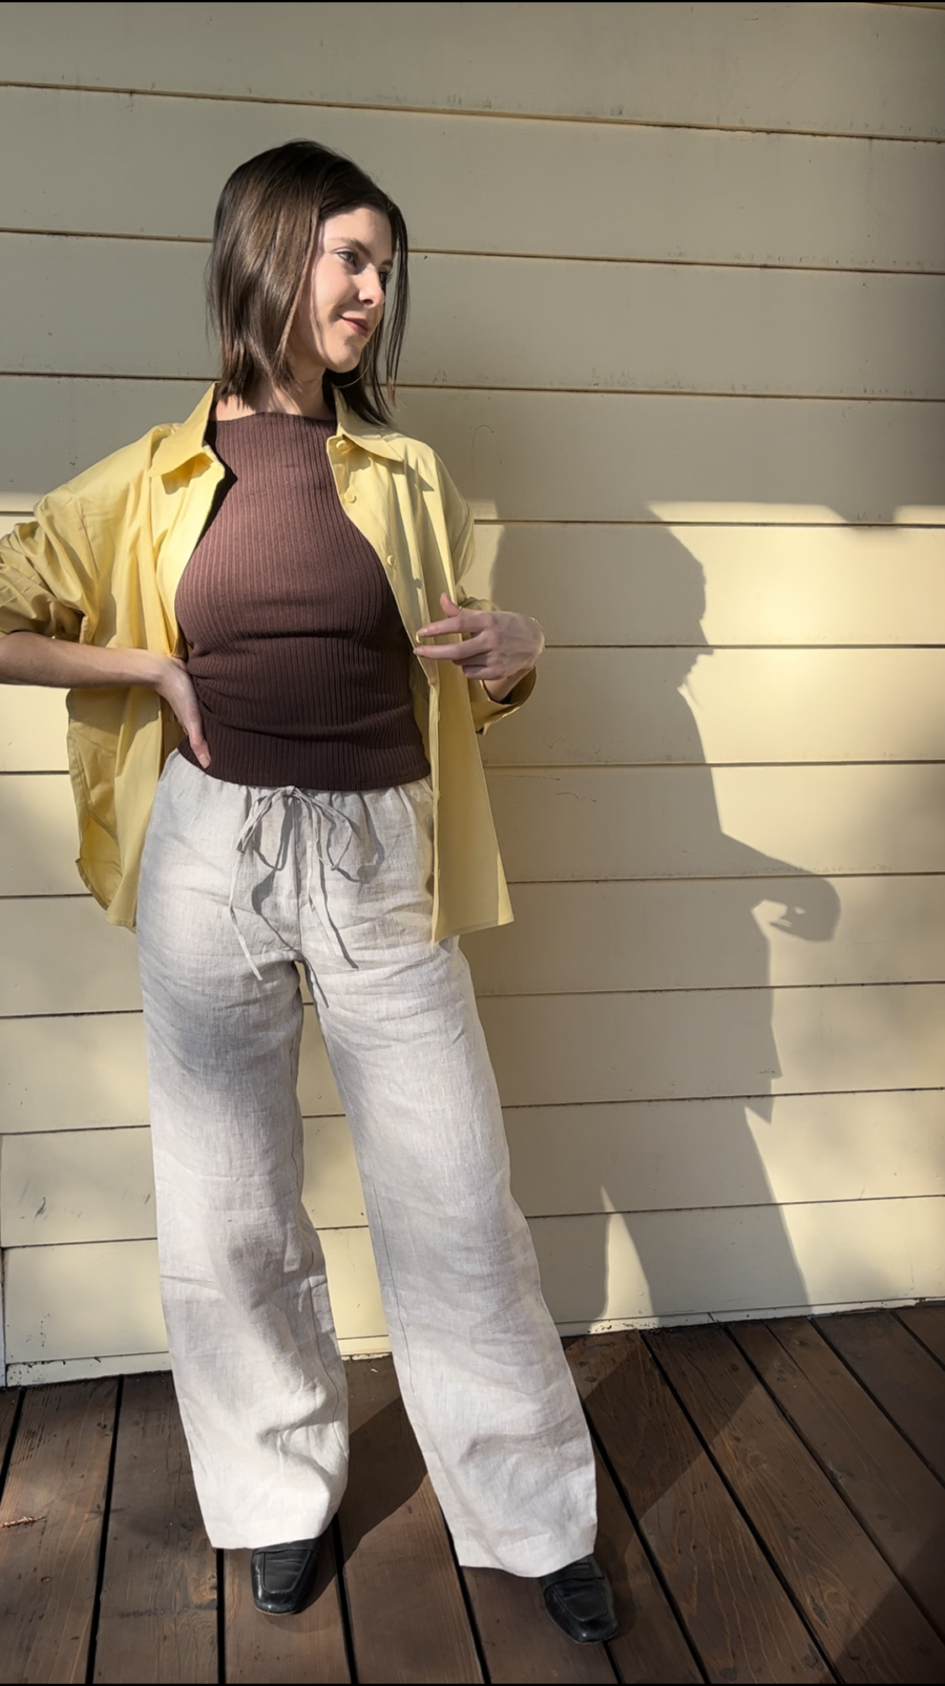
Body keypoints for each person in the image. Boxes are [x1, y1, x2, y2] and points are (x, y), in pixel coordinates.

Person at [0, 141, 616, 1643]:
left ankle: (532, 1513)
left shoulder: (404, 473)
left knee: (455, 1197)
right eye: (349, 257)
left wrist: (519, 643)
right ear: (269, 260)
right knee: (228, 1211)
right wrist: (143, 663)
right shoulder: (144, 480)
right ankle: (277, 1497)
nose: (371, 289)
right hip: (211, 856)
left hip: (381, 856)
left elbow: (473, 669)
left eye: (384, 266)